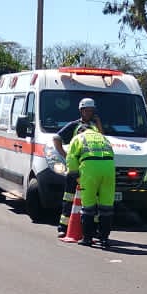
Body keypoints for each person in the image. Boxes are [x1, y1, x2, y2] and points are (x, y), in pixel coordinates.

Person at [65, 102, 117, 248]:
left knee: (88, 207)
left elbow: (71, 160)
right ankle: (105, 239)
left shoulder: (78, 138)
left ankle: (87, 238)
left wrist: (76, 177)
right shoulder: (102, 137)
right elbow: (111, 154)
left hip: (90, 171)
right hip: (109, 171)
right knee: (106, 207)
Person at [54, 97, 100, 235]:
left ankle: (93, 229)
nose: (90, 113)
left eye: (92, 110)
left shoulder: (95, 127)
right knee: (69, 197)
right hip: (76, 168)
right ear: (81, 111)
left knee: (93, 199)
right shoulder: (74, 125)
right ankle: (63, 227)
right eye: (87, 110)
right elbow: (57, 138)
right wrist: (65, 154)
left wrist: (99, 124)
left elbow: (103, 139)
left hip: (91, 169)